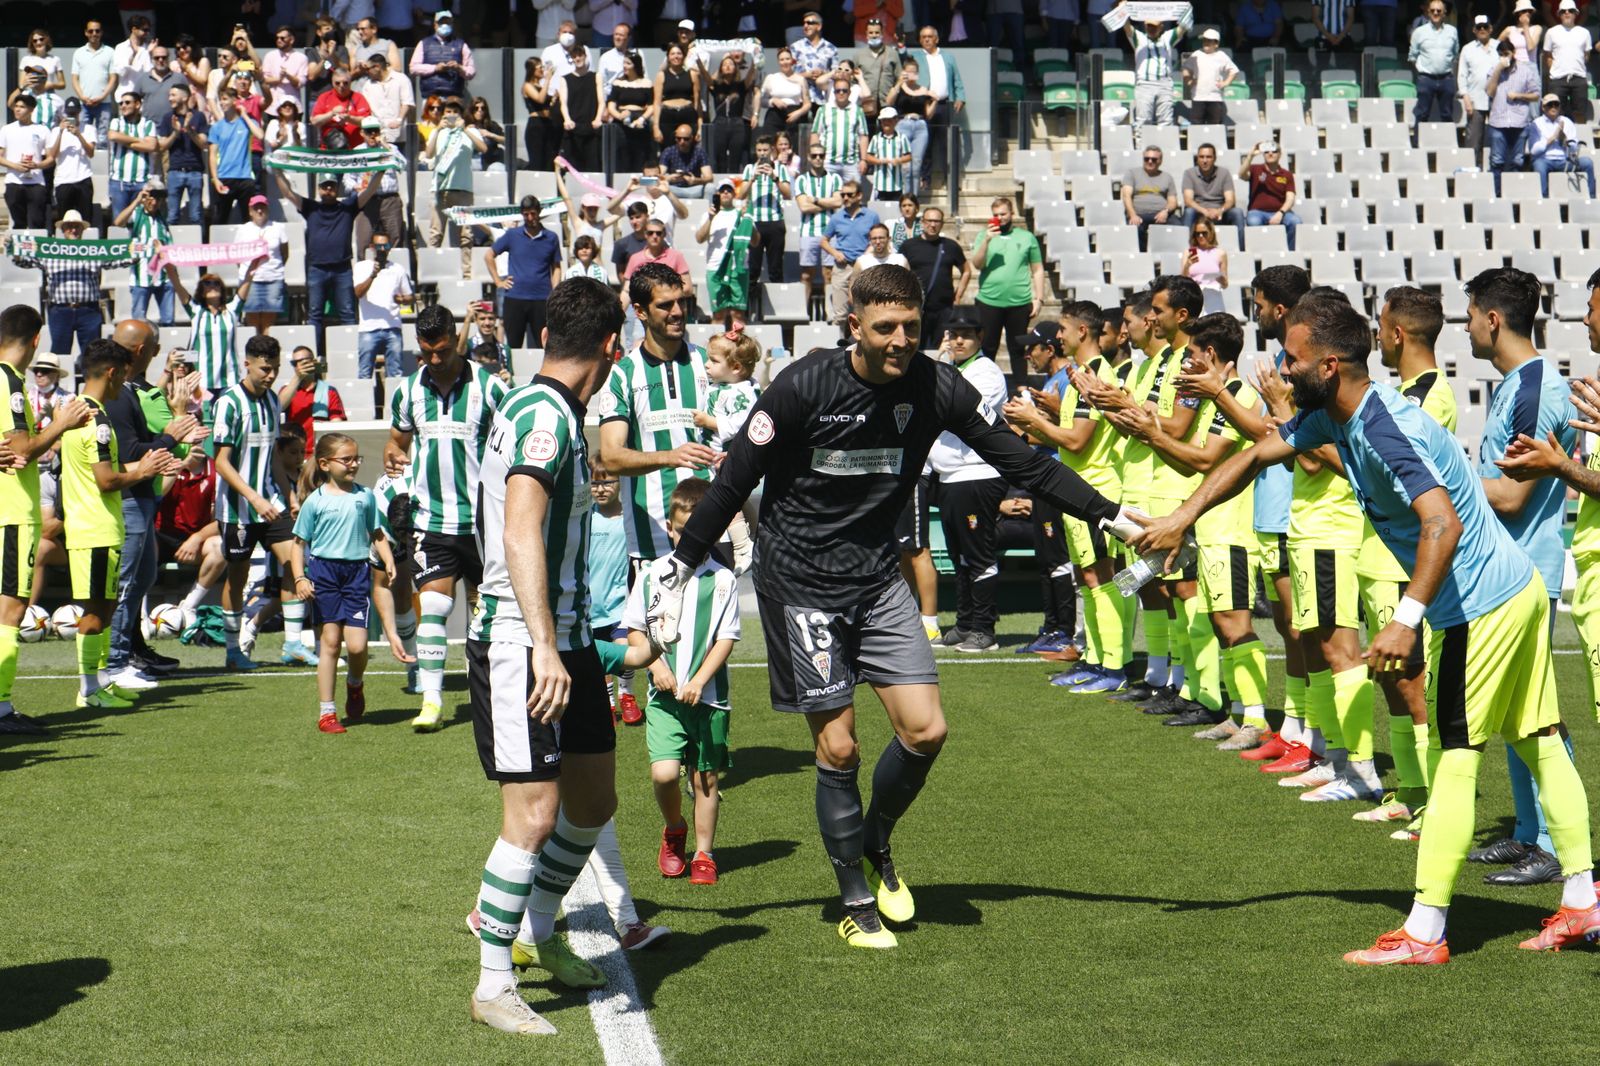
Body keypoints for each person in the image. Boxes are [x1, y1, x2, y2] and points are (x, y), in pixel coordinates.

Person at [647, 264, 1130, 949]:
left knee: (927, 731)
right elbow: (732, 481)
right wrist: (681, 562)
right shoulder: (802, 385)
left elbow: (1019, 461)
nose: (902, 340)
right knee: (838, 746)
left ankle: (874, 841)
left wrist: (1111, 514)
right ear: (855, 328)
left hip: (877, 579)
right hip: (802, 583)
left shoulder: (937, 386)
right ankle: (853, 898)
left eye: (912, 326)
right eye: (886, 328)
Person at [1131, 293, 1600, 965]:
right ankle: (1582, 902)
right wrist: (1181, 517)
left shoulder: (1385, 427)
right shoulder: (1331, 411)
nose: (1281, 370)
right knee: (1539, 741)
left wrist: (1407, 619)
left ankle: (1426, 932)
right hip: (1512, 587)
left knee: (1457, 756)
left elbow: (1444, 523)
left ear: (1327, 364)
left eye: (1291, 360)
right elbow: (1257, 452)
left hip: (1480, 603)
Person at [464, 277, 624, 1036]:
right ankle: (494, 982)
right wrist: (544, 646)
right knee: (533, 815)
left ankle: (534, 928)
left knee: (593, 800)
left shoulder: (549, 408)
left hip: (570, 637)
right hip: (522, 640)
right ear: (612, 348)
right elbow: (521, 529)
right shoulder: (544, 417)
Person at [1460, 267, 1578, 886]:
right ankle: (1531, 833)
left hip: (1526, 571)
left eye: (1472, 314)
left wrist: (1440, 481)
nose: (1469, 327)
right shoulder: (1516, 385)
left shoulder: (1535, 390)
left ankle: (1559, 844)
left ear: (1494, 318)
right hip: (1506, 570)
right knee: (1514, 711)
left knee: (1540, 714)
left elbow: (1510, 497)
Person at [384, 304, 509, 732]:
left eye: (441, 351)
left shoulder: (490, 389)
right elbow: (396, 446)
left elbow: (513, 443)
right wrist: (395, 459)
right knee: (434, 606)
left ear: (456, 339)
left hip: (483, 523)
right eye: (426, 353)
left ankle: (497, 696)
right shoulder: (407, 391)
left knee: (488, 612)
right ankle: (432, 702)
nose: (434, 360)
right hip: (432, 521)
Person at [620, 477, 740, 886]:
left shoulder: (723, 580)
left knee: (705, 779)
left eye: (700, 529)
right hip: (665, 698)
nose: (689, 537)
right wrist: (656, 668)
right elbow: (635, 629)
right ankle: (674, 829)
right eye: (682, 529)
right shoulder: (653, 573)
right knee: (665, 774)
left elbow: (726, 639)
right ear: (670, 529)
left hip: (709, 700)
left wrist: (701, 680)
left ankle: (705, 853)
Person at [61, 339, 175, 710]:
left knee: (106, 608)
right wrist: (143, 470)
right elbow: (105, 480)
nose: (123, 385)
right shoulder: (94, 418)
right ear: (112, 373)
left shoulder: (79, 410)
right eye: (122, 377)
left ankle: (102, 681)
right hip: (93, 528)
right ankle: (89, 689)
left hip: (100, 527)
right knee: (96, 611)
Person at [0, 304, 91, 734]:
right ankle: (1, 711)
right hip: (12, 513)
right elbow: (21, 452)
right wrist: (61, 423)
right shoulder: (10, 381)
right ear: (37, 340)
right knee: (10, 611)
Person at [101, 319, 204, 690]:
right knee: (127, 582)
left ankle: (126, 652)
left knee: (141, 577)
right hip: (128, 497)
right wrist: (170, 435)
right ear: (146, 351)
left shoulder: (128, 391)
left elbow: (142, 449)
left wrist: (169, 443)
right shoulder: (118, 395)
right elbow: (131, 453)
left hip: (140, 496)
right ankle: (114, 662)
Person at [292, 432, 397, 734]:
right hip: (324, 573)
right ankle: (327, 712)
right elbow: (299, 544)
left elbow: (376, 533)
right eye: (346, 459)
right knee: (330, 642)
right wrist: (300, 577)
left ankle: (355, 682)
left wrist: (388, 560)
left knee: (357, 645)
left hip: (356, 573)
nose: (353, 464)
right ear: (324, 464)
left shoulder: (365, 496)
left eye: (356, 458)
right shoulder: (316, 501)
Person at [212, 335, 306, 670]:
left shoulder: (271, 402)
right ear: (247, 364)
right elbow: (220, 461)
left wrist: (290, 494)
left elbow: (275, 459)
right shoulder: (228, 403)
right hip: (238, 508)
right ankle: (233, 651)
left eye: (275, 369)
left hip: (272, 503)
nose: (270, 375)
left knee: (296, 563)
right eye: (265, 368)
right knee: (236, 578)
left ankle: (293, 643)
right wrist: (253, 497)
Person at [927, 311, 1009, 653]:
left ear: (979, 337)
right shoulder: (957, 369)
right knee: (959, 555)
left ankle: (984, 630)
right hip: (950, 476)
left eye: (966, 334)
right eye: (954, 333)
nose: (959, 340)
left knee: (979, 555)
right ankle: (965, 624)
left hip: (977, 473)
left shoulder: (986, 372)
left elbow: (952, 411)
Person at [276, 168, 382, 344]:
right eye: (324, 187)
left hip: (343, 269)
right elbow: (287, 193)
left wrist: (381, 171)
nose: (328, 190)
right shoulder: (310, 207)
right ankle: (316, 357)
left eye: (331, 186)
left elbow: (370, 191)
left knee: (348, 314)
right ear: (318, 189)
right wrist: (277, 172)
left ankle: (351, 353)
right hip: (317, 268)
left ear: (337, 188)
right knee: (314, 316)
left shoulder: (348, 207)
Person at [9, 212, 127, 359]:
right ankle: (59, 382)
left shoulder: (94, 251)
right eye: (69, 227)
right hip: (60, 311)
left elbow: (117, 261)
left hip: (89, 310)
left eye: (76, 226)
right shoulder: (49, 251)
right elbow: (24, 262)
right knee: (59, 353)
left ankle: (90, 381)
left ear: (82, 230)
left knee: (93, 354)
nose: (73, 230)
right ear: (63, 230)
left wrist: (140, 251)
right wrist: (14, 249)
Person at [170, 261, 266, 401]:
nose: (212, 286)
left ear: (222, 289)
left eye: (216, 283)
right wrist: (166, 262)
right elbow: (176, 283)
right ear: (201, 291)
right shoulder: (196, 311)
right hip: (201, 380)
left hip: (229, 378)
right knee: (205, 420)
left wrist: (255, 262)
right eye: (207, 283)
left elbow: (247, 280)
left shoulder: (232, 310)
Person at [971, 198, 1045, 366]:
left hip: (1019, 302)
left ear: (1012, 213)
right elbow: (977, 264)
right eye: (996, 214)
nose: (1000, 217)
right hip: (989, 301)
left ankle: (1022, 388)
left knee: (1018, 348)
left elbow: (1038, 269)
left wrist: (1039, 298)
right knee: (987, 346)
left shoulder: (1027, 237)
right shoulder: (984, 235)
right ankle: (984, 383)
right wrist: (987, 240)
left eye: (1003, 213)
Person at [488, 195, 564, 350]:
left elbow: (556, 266)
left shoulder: (551, 237)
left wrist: (554, 289)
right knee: (514, 347)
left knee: (543, 346)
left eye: (533, 213)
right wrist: (498, 281)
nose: (530, 217)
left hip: (541, 299)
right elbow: (489, 255)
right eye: (526, 214)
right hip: (515, 298)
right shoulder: (512, 235)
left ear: (539, 212)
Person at [424, 97, 485, 279]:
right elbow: (428, 153)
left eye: (455, 112)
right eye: (448, 112)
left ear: (461, 114)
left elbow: (483, 148)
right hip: (440, 189)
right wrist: (438, 129)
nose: (451, 116)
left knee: (466, 235)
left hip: (463, 189)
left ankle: (466, 274)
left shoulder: (469, 131)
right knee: (436, 234)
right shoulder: (439, 132)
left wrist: (464, 128)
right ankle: (432, 276)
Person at [900, 206, 971, 349]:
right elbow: (900, 274)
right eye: (929, 221)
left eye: (937, 221)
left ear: (942, 224)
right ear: (922, 222)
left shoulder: (950, 246)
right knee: (915, 349)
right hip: (917, 307)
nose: (933, 225)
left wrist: (958, 295)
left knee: (942, 349)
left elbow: (966, 271)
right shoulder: (909, 246)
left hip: (944, 309)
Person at [819, 180, 881, 328]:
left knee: (867, 312)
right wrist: (835, 253)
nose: (845, 198)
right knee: (839, 315)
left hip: (864, 267)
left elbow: (878, 237)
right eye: (843, 195)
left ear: (859, 196)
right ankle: (838, 349)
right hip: (842, 267)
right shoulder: (837, 217)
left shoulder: (871, 216)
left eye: (849, 194)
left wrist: (867, 253)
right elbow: (823, 241)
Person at [112, 180, 174, 327]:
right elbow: (118, 222)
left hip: (164, 278)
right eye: (151, 197)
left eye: (157, 198)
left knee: (168, 322)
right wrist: (137, 200)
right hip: (141, 278)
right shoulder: (137, 214)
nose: (154, 202)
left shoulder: (162, 216)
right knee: (139, 323)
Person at [912, 26, 965, 192]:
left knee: (947, 145)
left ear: (936, 39)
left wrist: (960, 97)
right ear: (920, 40)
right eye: (923, 37)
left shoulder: (948, 57)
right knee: (924, 144)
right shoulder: (915, 56)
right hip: (924, 104)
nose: (927, 39)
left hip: (943, 105)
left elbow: (957, 79)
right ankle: (925, 180)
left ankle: (951, 180)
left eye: (930, 36)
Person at [354, 235, 415, 379]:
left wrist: (403, 299)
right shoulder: (361, 267)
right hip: (368, 328)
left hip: (392, 326)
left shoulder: (398, 269)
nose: (382, 250)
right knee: (364, 373)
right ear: (372, 247)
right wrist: (373, 275)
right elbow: (358, 293)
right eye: (379, 246)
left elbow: (411, 297)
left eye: (385, 246)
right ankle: (365, 401)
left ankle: (395, 402)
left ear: (389, 248)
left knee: (396, 373)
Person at [794, 144, 844, 318]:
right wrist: (826, 203)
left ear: (825, 157)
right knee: (807, 275)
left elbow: (838, 203)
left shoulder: (835, 178)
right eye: (814, 155)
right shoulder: (801, 179)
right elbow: (803, 207)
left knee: (829, 274)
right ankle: (803, 312)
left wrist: (814, 199)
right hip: (808, 232)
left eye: (821, 155)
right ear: (808, 157)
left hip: (829, 234)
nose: (817, 159)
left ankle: (829, 313)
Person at [1486, 37, 1541, 194]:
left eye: (1507, 53)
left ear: (1514, 52)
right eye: (1501, 54)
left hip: (1519, 122)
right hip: (1498, 122)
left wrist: (1518, 95)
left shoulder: (1525, 70)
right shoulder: (1494, 69)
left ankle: (1514, 195)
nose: (1505, 57)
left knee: (1517, 161)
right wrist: (1498, 69)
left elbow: (1536, 95)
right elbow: (1489, 92)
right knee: (1497, 161)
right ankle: (1496, 195)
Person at [1122, 2, 1190, 128]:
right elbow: (1126, 27)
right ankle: (1140, 146)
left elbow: (1183, 27)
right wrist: (1122, 9)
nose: (1151, 29)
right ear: (1145, 26)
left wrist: (1186, 7)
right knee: (1143, 120)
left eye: (1154, 26)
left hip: (1164, 83)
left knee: (1166, 120)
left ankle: (1165, 145)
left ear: (1161, 27)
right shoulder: (1139, 38)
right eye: (1149, 26)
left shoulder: (1167, 38)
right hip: (1145, 83)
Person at [696, 181, 755, 327]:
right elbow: (699, 238)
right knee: (718, 314)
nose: (726, 193)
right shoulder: (708, 215)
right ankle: (718, 349)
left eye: (729, 190)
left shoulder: (742, 213)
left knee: (738, 314)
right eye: (722, 191)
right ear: (718, 194)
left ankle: (740, 350)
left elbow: (755, 241)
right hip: (716, 268)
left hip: (738, 267)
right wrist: (710, 219)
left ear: (734, 194)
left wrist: (746, 219)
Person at [739, 134, 792, 285]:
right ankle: (750, 307)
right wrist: (752, 178)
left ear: (772, 150)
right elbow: (741, 195)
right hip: (755, 223)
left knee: (775, 268)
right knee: (753, 269)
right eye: (759, 150)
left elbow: (788, 194)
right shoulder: (749, 168)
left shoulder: (780, 169)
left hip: (775, 221)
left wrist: (774, 177)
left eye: (765, 150)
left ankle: (778, 305)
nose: (762, 153)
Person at [208, 87, 264, 226]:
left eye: (225, 99)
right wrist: (215, 179)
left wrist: (244, 115)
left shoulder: (246, 123)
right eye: (220, 100)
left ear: (235, 101)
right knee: (220, 219)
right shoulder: (217, 127)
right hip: (224, 178)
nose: (222, 103)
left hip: (245, 177)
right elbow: (212, 155)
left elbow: (260, 135)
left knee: (248, 220)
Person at [0, 91, 56, 230]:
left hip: (36, 182)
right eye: (16, 106)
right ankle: (18, 251)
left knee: (36, 222)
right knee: (18, 223)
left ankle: (37, 250)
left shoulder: (42, 129)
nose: (17, 109)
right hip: (14, 181)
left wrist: (37, 165)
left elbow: (51, 159)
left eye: (22, 107)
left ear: (31, 110)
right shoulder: (7, 129)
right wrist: (15, 166)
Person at [278, 346, 348, 453]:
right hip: (293, 453)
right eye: (295, 363)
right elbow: (278, 407)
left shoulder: (329, 391)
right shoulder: (288, 390)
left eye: (304, 362)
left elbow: (337, 424)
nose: (300, 366)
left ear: (314, 362)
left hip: (319, 453)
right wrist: (297, 378)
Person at [237, 196, 290, 335]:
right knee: (252, 321)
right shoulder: (243, 229)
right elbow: (238, 256)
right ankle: (254, 351)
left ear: (268, 209)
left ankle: (265, 352)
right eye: (256, 208)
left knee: (269, 322)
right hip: (250, 281)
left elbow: (285, 253)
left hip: (273, 278)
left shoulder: (278, 227)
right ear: (250, 211)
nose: (260, 211)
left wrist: (273, 268)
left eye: (262, 207)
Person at [156, 85, 209, 225]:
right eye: (169, 95)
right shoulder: (168, 118)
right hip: (174, 171)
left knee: (196, 215)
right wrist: (175, 132)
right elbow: (162, 146)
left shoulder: (198, 116)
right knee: (172, 215)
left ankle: (198, 245)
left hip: (195, 171)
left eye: (173, 95)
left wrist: (189, 130)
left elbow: (203, 144)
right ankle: (170, 245)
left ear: (184, 97)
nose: (170, 98)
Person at [884, 59, 934, 197]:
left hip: (920, 125)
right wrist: (899, 82)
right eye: (908, 71)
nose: (911, 74)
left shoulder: (923, 89)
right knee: (905, 167)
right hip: (903, 124)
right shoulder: (899, 88)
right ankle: (905, 198)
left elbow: (928, 113)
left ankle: (914, 199)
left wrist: (934, 100)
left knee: (916, 165)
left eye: (914, 72)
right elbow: (888, 102)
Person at [1528, 93, 1596, 195]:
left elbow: (1574, 147)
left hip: (1565, 160)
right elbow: (1533, 150)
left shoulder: (1567, 122)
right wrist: (1553, 138)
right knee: (1539, 166)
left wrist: (1564, 140)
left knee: (1587, 162)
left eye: (1556, 104)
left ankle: (1591, 196)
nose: (1553, 107)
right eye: (1550, 105)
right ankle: (1544, 199)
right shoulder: (1536, 123)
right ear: (1543, 107)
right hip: (1545, 159)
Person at [1241, 141, 1301, 250]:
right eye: (1266, 151)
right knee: (1253, 222)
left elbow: (1290, 198)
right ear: (1263, 154)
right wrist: (1250, 156)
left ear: (1280, 154)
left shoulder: (1287, 175)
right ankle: (1258, 253)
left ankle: (1289, 253)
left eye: (1274, 151)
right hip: (1257, 211)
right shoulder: (1255, 169)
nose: (1270, 154)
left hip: (1280, 212)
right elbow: (1241, 175)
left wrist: (1280, 213)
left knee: (1295, 221)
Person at [1181, 144, 1244, 243]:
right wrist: (1205, 211)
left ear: (1214, 158)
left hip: (1219, 213)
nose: (1205, 160)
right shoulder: (1189, 173)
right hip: (1199, 212)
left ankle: (1240, 250)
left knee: (1237, 212)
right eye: (1201, 157)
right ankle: (1187, 250)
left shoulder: (1224, 173)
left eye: (1208, 157)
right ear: (1197, 158)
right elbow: (1188, 200)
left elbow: (1230, 200)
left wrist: (1220, 211)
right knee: (1189, 212)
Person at [1409, 0, 1460, 124]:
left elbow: (1455, 54)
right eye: (1432, 11)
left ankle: (1447, 143)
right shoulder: (1419, 32)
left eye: (1439, 11)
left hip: (1446, 78)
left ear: (1444, 13)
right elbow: (1412, 56)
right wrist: (1422, 72)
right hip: (1426, 79)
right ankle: (1417, 143)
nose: (1435, 13)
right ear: (1428, 12)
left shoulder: (1452, 31)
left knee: (1447, 115)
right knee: (1422, 115)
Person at [814, 77, 870, 189]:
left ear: (849, 92)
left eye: (844, 90)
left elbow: (863, 136)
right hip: (828, 162)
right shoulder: (823, 110)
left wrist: (864, 160)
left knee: (853, 196)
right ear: (833, 92)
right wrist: (816, 157)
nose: (841, 93)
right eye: (837, 90)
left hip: (851, 163)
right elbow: (815, 134)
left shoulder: (857, 111)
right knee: (826, 195)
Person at [554, 48, 604, 174]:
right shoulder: (565, 79)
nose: (577, 59)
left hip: (591, 128)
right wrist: (567, 119)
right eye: (574, 56)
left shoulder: (595, 76)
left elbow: (601, 101)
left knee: (593, 168)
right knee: (570, 168)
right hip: (573, 128)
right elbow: (563, 103)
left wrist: (598, 118)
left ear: (585, 56)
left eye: (580, 55)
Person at [47, 98, 96, 224]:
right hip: (63, 180)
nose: (71, 116)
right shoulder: (56, 131)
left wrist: (79, 135)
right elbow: (52, 155)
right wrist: (61, 132)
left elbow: (90, 153)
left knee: (85, 219)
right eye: (69, 114)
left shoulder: (89, 129)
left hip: (83, 178)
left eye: (74, 113)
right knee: (64, 220)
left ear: (79, 111)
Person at [1122, 146, 1181, 252]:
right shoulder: (1132, 173)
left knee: (1179, 228)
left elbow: (1173, 201)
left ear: (1160, 161)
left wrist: (1166, 211)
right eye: (1146, 159)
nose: (1150, 161)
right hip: (1139, 214)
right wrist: (1132, 215)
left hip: (1161, 214)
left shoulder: (1167, 177)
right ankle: (1143, 257)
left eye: (1154, 159)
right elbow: (1126, 196)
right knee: (1135, 229)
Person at [607, 51, 656, 173]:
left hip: (639, 120)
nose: (624, 66)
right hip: (622, 120)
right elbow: (611, 104)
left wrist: (642, 118)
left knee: (640, 153)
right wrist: (619, 116)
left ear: (635, 65)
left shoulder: (646, 83)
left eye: (628, 63)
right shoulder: (618, 82)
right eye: (624, 63)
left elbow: (651, 106)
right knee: (622, 153)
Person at [1459, 16, 1499, 165]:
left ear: (1491, 28)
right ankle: (1472, 171)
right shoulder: (1467, 49)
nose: (1482, 29)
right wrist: (1466, 97)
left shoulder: (1499, 46)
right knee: (1473, 140)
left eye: (1485, 26)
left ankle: (1494, 173)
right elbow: (1462, 75)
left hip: (1497, 100)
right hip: (1475, 99)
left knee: (1496, 140)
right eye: (1479, 27)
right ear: (1474, 30)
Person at [1543, 0, 1591, 121]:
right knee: (1555, 115)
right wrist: (1555, 70)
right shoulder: (1551, 32)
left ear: (1576, 13)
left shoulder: (1584, 32)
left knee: (1580, 115)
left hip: (1578, 78)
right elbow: (1547, 55)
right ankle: (1558, 140)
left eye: (1571, 11)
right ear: (1559, 14)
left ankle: (1579, 139)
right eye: (1563, 11)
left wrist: (1576, 66)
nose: (1567, 13)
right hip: (1558, 79)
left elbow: (1587, 55)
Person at [411, 11, 475, 101]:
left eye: (447, 22)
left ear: (452, 24)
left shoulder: (461, 44)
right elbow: (413, 68)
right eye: (441, 22)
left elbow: (471, 72)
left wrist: (459, 68)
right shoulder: (424, 43)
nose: (444, 25)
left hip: (453, 98)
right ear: (435, 25)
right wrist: (435, 68)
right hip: (431, 98)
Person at [707, 53, 754, 174]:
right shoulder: (716, 85)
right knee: (719, 157)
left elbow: (751, 73)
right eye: (724, 65)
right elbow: (705, 76)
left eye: (731, 64)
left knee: (736, 157)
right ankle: (720, 187)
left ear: (736, 68)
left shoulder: (741, 85)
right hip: (720, 122)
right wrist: (697, 61)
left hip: (737, 122)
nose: (728, 66)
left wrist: (755, 59)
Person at [71, 20, 117, 140]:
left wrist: (102, 96)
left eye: (97, 31)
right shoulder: (79, 53)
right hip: (84, 104)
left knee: (103, 139)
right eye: (91, 31)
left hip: (104, 103)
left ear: (101, 33)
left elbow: (113, 78)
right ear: (86, 33)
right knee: (83, 137)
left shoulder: (110, 52)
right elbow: (74, 78)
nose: (94, 33)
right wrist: (82, 97)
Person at [355, 53, 413, 147]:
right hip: (377, 138)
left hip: (399, 136)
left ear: (377, 67)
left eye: (368, 69)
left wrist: (399, 120)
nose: (366, 72)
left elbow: (406, 103)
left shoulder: (401, 79)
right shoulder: (367, 86)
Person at [1187, 29, 1239, 126]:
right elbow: (1186, 68)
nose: (1206, 43)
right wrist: (1189, 80)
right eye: (1204, 40)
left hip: (1215, 97)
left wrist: (1226, 82)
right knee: (1196, 125)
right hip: (1198, 97)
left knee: (1215, 125)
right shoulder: (1196, 54)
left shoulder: (1221, 56)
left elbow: (1234, 70)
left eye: (1209, 41)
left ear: (1216, 44)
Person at [310, 68, 372, 149]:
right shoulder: (324, 97)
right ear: (332, 83)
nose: (341, 86)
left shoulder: (358, 97)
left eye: (345, 83)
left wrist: (349, 118)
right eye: (337, 83)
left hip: (354, 150)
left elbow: (367, 121)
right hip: (329, 149)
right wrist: (331, 113)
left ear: (350, 82)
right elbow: (315, 121)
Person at [622, 220, 692, 290]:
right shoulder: (635, 258)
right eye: (650, 233)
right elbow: (626, 290)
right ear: (645, 234)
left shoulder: (676, 256)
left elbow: (687, 287)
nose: (654, 236)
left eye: (658, 233)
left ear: (664, 234)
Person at [792, 10, 841, 106]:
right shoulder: (795, 47)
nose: (805, 26)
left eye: (810, 23)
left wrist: (823, 74)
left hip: (822, 99)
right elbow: (788, 75)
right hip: (800, 99)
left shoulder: (831, 48)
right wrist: (807, 75)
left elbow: (836, 73)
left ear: (819, 26)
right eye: (804, 23)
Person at [758, 48, 812, 133]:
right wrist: (773, 101)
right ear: (779, 62)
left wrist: (798, 113)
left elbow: (807, 103)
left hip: (794, 115)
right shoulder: (771, 78)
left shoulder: (801, 79)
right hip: (774, 116)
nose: (785, 62)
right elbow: (761, 101)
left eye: (787, 59)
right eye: (782, 60)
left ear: (792, 61)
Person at [1181, 220, 1228, 315]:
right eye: (1197, 233)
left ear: (1211, 232)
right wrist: (1187, 265)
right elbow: (1183, 280)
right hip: (1195, 294)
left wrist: (1221, 278)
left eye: (1204, 233)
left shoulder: (1220, 253)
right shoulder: (1188, 252)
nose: (1200, 236)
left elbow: (1225, 284)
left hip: (1213, 293)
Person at [864, 108, 912, 202]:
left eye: (889, 120)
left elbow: (909, 156)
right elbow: (868, 157)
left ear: (895, 121)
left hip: (897, 184)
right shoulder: (876, 138)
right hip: (880, 184)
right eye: (884, 120)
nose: (886, 123)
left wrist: (899, 160)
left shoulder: (902, 138)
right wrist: (880, 161)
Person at [857, 17, 902, 115]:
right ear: (866, 34)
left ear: (882, 34)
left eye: (877, 33)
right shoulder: (859, 55)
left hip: (887, 103)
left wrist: (894, 91)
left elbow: (900, 76)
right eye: (871, 33)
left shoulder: (892, 53)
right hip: (866, 104)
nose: (874, 35)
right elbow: (853, 81)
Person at [129, 44, 182, 127]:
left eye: (163, 57)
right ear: (151, 59)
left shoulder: (179, 78)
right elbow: (133, 101)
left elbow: (188, 101)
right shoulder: (143, 79)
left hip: (174, 127)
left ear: (168, 58)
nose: (160, 60)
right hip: (149, 128)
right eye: (156, 58)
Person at [261, 25, 310, 113]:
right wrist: (279, 79)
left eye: (282, 38)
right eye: (277, 38)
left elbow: (301, 83)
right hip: (273, 107)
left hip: (293, 107)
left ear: (291, 40)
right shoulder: (270, 56)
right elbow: (264, 79)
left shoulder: (301, 58)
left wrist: (288, 76)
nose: (279, 40)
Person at [659, 123, 713, 200]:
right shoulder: (668, 151)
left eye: (686, 139)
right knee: (659, 186)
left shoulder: (699, 152)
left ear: (692, 138)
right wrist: (669, 178)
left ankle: (709, 211)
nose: (682, 142)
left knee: (710, 187)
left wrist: (696, 180)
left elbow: (709, 178)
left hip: (694, 188)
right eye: (679, 138)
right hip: (673, 188)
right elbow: (659, 175)